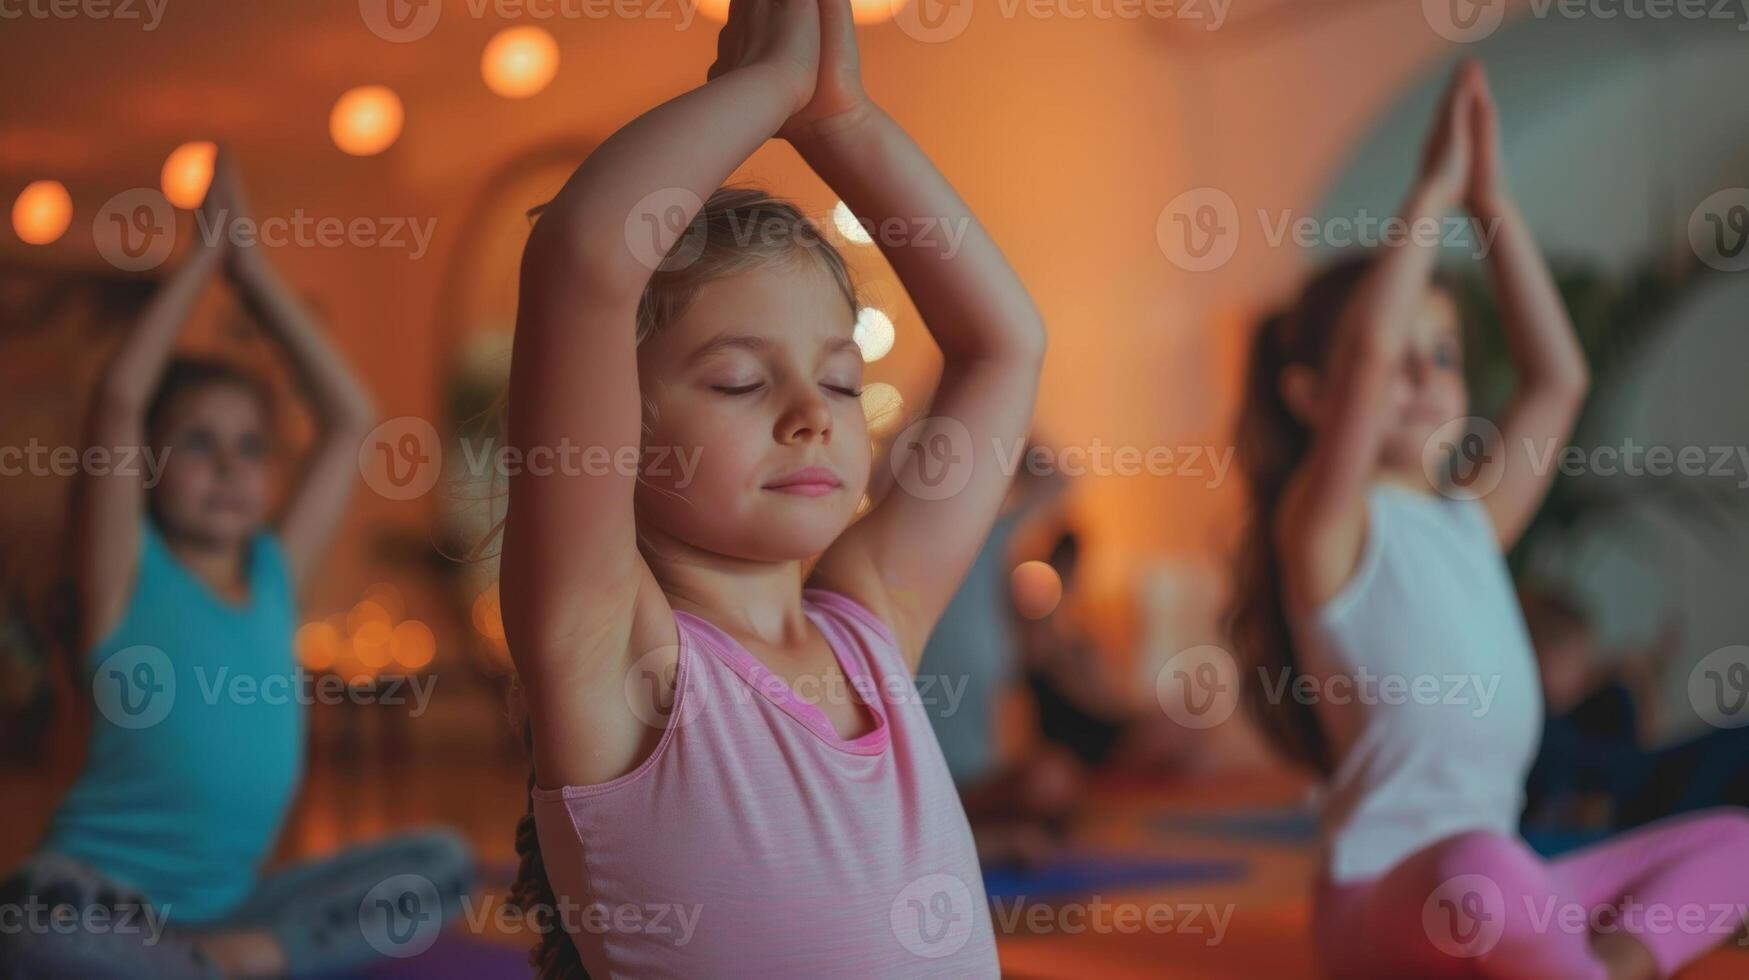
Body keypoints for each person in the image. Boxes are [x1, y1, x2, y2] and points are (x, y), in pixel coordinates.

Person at [498, 0, 1045, 973]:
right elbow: (584, 253)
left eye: (840, 379)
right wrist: (769, 88)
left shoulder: (870, 624)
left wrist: (847, 125)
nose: (813, 414)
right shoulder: (616, 651)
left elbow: (1007, 344)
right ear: (619, 426)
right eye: (741, 381)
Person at [1228, 62, 1749, 978]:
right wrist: (1428, 193)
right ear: (1315, 395)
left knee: (1733, 843)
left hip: (1508, 888)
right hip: (1386, 902)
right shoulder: (1324, 531)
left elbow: (1560, 381)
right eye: (1402, 359)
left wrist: (1491, 204)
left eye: (1445, 353)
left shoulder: (1471, 523)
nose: (1425, 374)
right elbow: (1367, 354)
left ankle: (1610, 965)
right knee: (1484, 868)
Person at [0, 151, 472, 979]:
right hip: (94, 896)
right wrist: (199, 267)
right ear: (145, 466)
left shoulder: (272, 574)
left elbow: (352, 415)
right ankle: (231, 964)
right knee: (33, 930)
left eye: (249, 446)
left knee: (439, 862)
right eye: (197, 442)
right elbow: (118, 401)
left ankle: (228, 957)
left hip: (229, 906)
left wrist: (252, 275)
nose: (227, 466)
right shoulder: (126, 573)